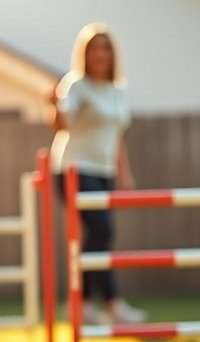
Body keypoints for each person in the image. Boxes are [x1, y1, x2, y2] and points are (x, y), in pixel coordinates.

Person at [47, 22, 147, 324]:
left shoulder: (117, 90)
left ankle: (84, 303)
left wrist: (124, 172)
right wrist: (53, 107)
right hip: (73, 169)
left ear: (112, 54)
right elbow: (65, 123)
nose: (100, 54)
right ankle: (113, 304)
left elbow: (116, 135)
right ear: (85, 54)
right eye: (94, 49)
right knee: (103, 231)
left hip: (103, 171)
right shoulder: (76, 85)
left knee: (98, 235)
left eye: (105, 48)